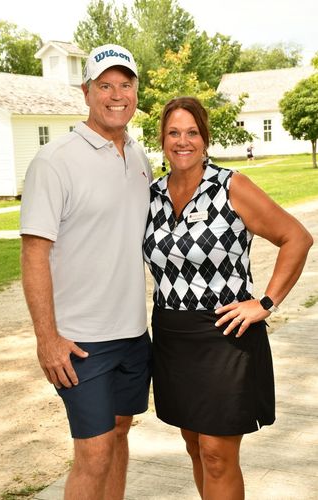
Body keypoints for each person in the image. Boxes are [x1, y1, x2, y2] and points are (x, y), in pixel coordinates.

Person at [143, 96, 313, 500]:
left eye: (192, 132)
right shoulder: (149, 195)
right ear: (162, 139)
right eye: (173, 132)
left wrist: (266, 303)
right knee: (195, 447)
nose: (182, 141)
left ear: (205, 139)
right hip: (172, 338)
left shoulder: (230, 186)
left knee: (218, 453)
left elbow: (297, 238)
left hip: (224, 334)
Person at [20, 44, 153, 500]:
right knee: (93, 454)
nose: (117, 94)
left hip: (134, 335)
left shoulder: (139, 157)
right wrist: (47, 339)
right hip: (81, 342)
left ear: (136, 90)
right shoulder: (55, 161)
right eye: (105, 85)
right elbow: (34, 254)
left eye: (125, 84)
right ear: (87, 92)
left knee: (119, 436)